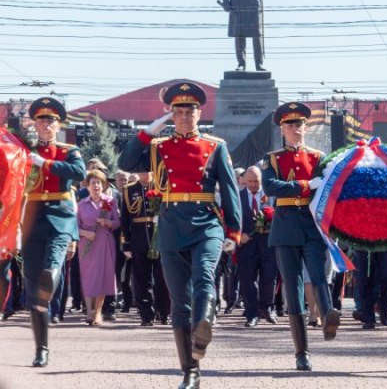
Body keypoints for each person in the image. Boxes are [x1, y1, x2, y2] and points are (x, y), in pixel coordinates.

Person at [119, 81, 241, 389]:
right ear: (171, 115)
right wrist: (150, 130)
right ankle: (191, 370)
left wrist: (234, 230)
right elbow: (125, 163)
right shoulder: (158, 146)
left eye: (191, 110)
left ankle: (206, 324)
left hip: (206, 223)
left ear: (200, 113)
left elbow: (229, 190)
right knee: (179, 301)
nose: (186, 116)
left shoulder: (215, 145)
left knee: (203, 278)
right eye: (179, 111)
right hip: (172, 224)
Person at [261, 102, 338, 372]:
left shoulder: (318, 157)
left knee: (319, 274)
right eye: (290, 124)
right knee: (293, 290)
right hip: (285, 226)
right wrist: (304, 185)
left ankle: (329, 314)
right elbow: (270, 186)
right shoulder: (272, 158)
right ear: (282, 129)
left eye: (300, 124)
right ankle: (302, 351)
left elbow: (328, 187)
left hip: (311, 223)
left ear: (306, 127)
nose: (296, 128)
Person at [21, 96, 86, 367]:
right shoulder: (24, 150)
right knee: (35, 290)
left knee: (53, 264)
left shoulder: (68, 149)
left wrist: (45, 164)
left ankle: (52, 278)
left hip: (59, 216)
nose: (46, 124)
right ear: (34, 124)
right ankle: (41, 349)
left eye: (51, 120)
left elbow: (79, 172)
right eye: (41, 120)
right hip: (32, 218)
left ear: (59, 124)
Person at [120, 171, 170, 326]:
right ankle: (146, 315)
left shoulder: (161, 186)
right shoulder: (129, 190)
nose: (144, 174)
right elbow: (125, 218)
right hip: (139, 238)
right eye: (141, 170)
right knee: (141, 280)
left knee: (163, 278)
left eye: (147, 170)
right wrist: (126, 243)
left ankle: (164, 312)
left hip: (160, 239)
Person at [236, 166, 278, 327]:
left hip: (268, 244)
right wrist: (238, 236)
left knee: (269, 277)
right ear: (245, 180)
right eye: (250, 181)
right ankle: (251, 314)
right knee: (247, 279)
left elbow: (279, 215)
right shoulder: (238, 197)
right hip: (246, 245)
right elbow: (231, 219)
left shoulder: (271, 196)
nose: (253, 185)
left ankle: (267, 308)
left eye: (256, 181)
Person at [76, 169, 119, 325]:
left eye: (99, 182)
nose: (96, 185)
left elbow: (117, 222)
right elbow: (74, 227)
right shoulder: (81, 204)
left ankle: (98, 313)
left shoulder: (110, 201)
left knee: (102, 277)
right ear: (87, 186)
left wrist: (107, 223)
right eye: (93, 182)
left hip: (105, 242)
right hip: (87, 244)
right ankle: (89, 311)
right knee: (88, 278)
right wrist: (85, 233)